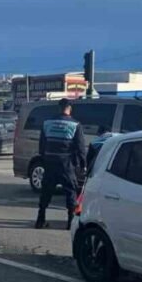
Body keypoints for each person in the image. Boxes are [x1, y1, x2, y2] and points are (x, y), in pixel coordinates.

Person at [35, 98, 87, 230]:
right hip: (67, 164)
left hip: (50, 162)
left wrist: (44, 158)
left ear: (59, 108)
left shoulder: (47, 123)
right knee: (70, 192)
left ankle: (40, 220)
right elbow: (81, 148)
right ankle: (70, 222)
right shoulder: (75, 125)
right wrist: (83, 165)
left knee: (46, 191)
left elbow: (42, 145)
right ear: (70, 109)